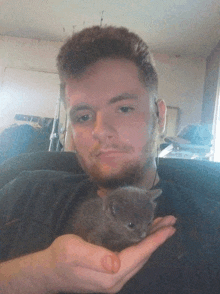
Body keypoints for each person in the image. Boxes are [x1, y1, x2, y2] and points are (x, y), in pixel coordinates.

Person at [0, 25, 219, 294]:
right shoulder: (26, 191)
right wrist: (38, 274)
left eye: (124, 108)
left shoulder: (213, 227)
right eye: (83, 116)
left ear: (159, 116)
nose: (100, 131)